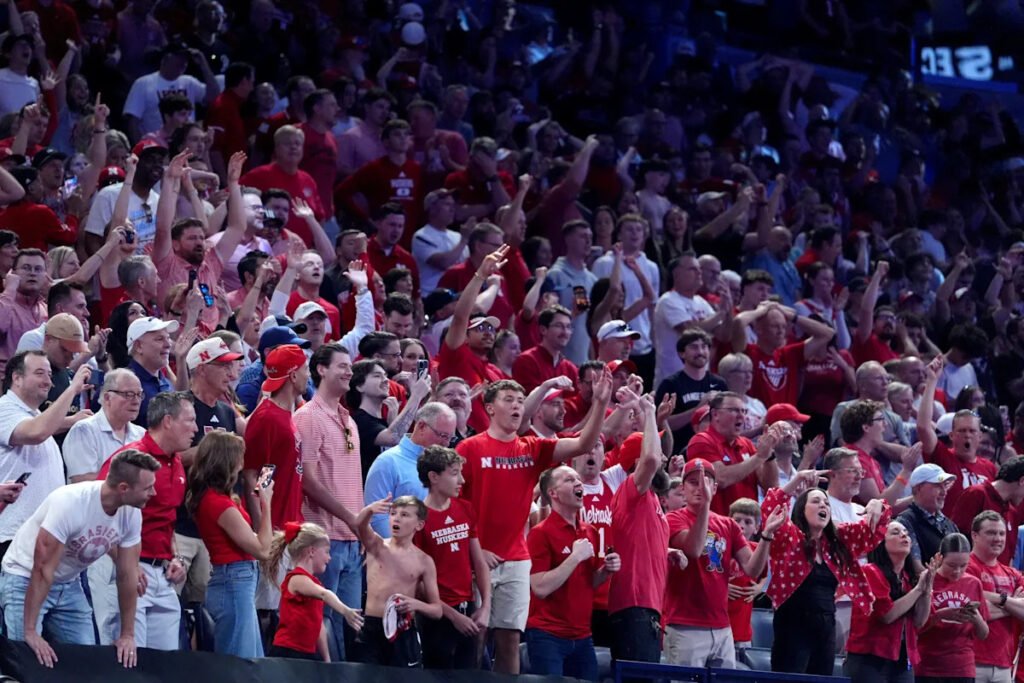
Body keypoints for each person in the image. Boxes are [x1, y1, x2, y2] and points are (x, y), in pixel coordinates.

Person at [456, 373, 612, 675]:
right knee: (475, 637)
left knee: (510, 639)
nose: (516, 406)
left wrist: (601, 401)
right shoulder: (470, 448)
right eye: (508, 400)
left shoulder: (532, 448)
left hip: (516, 558)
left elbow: (583, 443)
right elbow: (454, 504)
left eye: (519, 401)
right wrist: (474, 550)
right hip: (476, 556)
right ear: (489, 408)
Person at [0, 450, 160, 669]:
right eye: (148, 487)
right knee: (24, 661)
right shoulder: (70, 502)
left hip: (68, 583)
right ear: (124, 488)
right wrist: (30, 631)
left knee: (85, 661)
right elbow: (42, 569)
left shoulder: (131, 512)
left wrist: (127, 635)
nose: (154, 492)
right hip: (25, 578)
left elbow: (127, 574)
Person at [93, 391, 197, 651]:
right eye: (190, 420)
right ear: (168, 421)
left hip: (161, 574)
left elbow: (167, 520)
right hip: (128, 569)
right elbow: (96, 515)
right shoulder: (129, 460)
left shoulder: (177, 464)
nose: (196, 428)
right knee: (127, 660)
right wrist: (125, 563)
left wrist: (177, 558)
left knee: (165, 663)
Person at [664, 459, 785, 668]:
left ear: (715, 487)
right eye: (693, 482)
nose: (700, 487)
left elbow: (752, 568)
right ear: (682, 488)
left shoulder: (728, 524)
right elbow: (692, 549)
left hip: (722, 627)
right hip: (685, 626)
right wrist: (705, 507)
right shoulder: (673, 518)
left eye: (706, 481)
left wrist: (766, 535)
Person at [760, 485, 890, 675]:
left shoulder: (837, 543)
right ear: (801, 509)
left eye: (826, 503)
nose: (823, 505)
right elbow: (772, 506)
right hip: (792, 624)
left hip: (826, 625)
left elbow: (874, 529)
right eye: (816, 501)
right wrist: (795, 480)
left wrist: (877, 504)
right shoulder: (790, 537)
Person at [293, 342, 363, 660]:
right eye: (342, 365)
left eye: (350, 366)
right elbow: (307, 480)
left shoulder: (349, 420)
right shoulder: (307, 417)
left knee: (352, 622)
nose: (349, 371)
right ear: (321, 370)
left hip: (350, 537)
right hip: (323, 537)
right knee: (322, 620)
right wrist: (351, 517)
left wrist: (357, 525)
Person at [526, 465, 622, 680]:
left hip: (582, 635)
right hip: (547, 635)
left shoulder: (590, 531)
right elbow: (540, 588)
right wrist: (574, 557)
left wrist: (606, 571)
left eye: (578, 479)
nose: (579, 483)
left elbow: (590, 581)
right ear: (553, 493)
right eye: (570, 480)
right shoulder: (540, 534)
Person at [187, 431, 273, 658]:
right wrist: (266, 503)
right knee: (241, 662)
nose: (242, 464)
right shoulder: (217, 504)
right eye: (239, 457)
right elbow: (263, 549)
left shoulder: (218, 499)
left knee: (253, 659)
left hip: (237, 581)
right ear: (226, 461)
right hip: (234, 583)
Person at [0, 352, 92, 559]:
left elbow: (44, 424)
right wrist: (72, 388)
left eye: (50, 375)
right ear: (17, 378)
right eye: (40, 373)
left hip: (41, 536)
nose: (48, 381)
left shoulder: (31, 414)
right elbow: (37, 432)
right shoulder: (4, 408)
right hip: (13, 539)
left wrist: (73, 420)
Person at [607, 394, 672, 668]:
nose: (665, 457)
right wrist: (649, 411)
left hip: (647, 605)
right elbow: (652, 460)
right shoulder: (631, 490)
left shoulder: (651, 500)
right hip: (634, 604)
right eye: (656, 446)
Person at [413, 445, 491, 669]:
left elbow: (479, 562)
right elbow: (418, 584)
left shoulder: (465, 508)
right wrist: (453, 617)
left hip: (469, 609)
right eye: (455, 473)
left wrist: (485, 607)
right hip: (437, 616)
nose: (462, 481)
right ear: (434, 477)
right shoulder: (418, 519)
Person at [351, 494, 443, 667]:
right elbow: (358, 524)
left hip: (402, 629)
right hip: (371, 627)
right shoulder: (377, 546)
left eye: (405, 515)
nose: (397, 519)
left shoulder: (424, 561)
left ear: (419, 524)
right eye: (393, 513)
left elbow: (437, 610)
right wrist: (369, 510)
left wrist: (416, 604)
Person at [843, 521, 933, 683]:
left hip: (902, 658)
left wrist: (927, 590)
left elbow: (919, 621)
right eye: (895, 532)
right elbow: (887, 615)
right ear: (880, 542)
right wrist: (919, 589)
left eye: (905, 532)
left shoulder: (907, 578)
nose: (904, 535)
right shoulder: (870, 572)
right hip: (869, 660)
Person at [265, 522, 365, 661]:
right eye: (327, 552)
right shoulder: (297, 579)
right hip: (288, 652)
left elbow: (319, 625)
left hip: (306, 654)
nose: (329, 558)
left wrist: (327, 659)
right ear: (311, 551)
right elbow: (325, 594)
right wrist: (345, 611)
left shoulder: (314, 584)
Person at [364, 402, 457, 537]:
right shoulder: (388, 462)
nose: (446, 443)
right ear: (421, 426)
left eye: (450, 438)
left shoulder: (445, 465)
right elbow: (377, 517)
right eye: (442, 436)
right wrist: (400, 551)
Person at [918, 355, 996, 514]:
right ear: (952, 435)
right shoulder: (943, 457)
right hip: (951, 534)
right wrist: (932, 380)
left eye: (972, 431)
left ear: (980, 436)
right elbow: (923, 427)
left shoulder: (990, 468)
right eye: (962, 431)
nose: (967, 435)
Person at [685, 391, 779, 515]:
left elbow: (771, 487)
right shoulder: (701, 441)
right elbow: (721, 479)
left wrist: (769, 454)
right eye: (734, 410)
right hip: (715, 527)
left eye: (744, 411)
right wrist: (759, 457)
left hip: (746, 527)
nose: (741, 416)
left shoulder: (746, 444)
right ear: (715, 414)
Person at [914, 533, 990, 683]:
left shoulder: (973, 583)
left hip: (962, 667)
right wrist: (939, 616)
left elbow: (983, 634)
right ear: (940, 558)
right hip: (927, 666)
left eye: (963, 566)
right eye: (952, 565)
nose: (957, 571)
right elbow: (915, 628)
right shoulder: (927, 580)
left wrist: (976, 618)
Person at [967, 511, 1024, 683]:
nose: (998, 539)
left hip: (1004, 663)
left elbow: (981, 609)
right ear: (974, 535)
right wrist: (1012, 606)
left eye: (1001, 533)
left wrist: (1001, 600)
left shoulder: (1012, 573)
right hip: (971, 660)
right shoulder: (965, 567)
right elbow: (968, 612)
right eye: (991, 533)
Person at [62, 369, 146, 483]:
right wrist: (133, 476)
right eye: (129, 394)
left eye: (139, 395)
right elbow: (82, 481)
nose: (136, 401)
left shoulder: (142, 434)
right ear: (107, 398)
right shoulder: (84, 431)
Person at [655, 328, 727, 447]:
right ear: (681, 353)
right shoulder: (670, 384)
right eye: (694, 347)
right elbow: (661, 424)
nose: (700, 352)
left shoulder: (720, 383)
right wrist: (697, 410)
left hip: (715, 449)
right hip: (680, 451)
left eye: (704, 347)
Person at [951, 456, 1024, 567]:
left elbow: (1009, 559)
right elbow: (956, 539)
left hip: (1000, 582)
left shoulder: (1012, 512)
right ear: (1022, 481)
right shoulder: (976, 494)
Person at [896, 463, 958, 573]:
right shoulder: (905, 522)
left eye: (945, 485)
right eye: (938, 486)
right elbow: (918, 570)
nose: (944, 492)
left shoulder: (950, 525)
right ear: (919, 488)